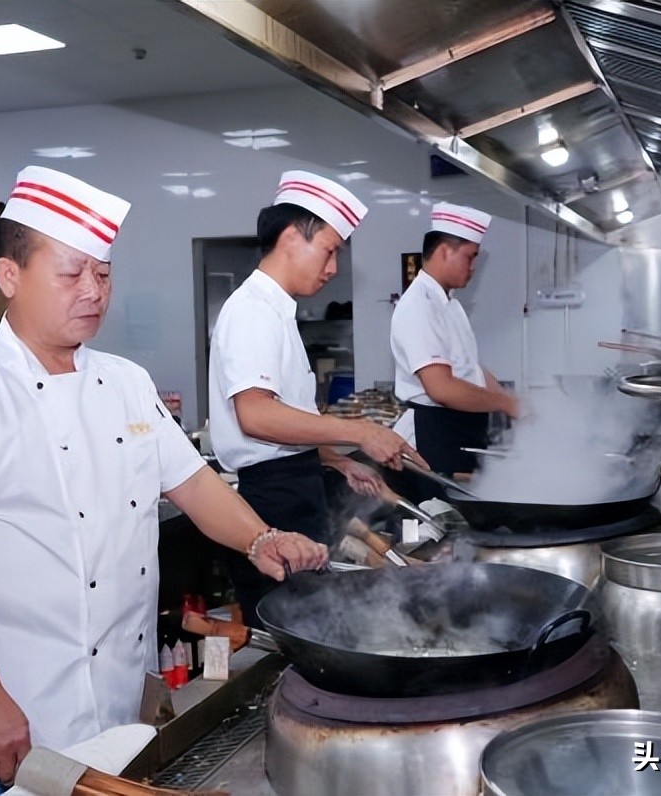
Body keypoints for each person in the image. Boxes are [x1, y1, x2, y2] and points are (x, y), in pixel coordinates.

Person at [0, 166, 327, 791]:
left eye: (103, 273)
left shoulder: (125, 382)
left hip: (126, 713)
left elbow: (195, 483)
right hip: (22, 720)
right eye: (71, 274)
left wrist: (261, 539)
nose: (93, 291)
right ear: (10, 277)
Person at [209, 170, 425, 624]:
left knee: (315, 627)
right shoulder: (252, 311)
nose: (332, 269)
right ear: (291, 236)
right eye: (328, 252)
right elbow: (256, 416)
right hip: (272, 501)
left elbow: (289, 418)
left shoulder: (278, 312)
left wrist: (336, 459)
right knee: (295, 634)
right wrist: (360, 432)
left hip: (296, 485)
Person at [390, 202, 519, 499]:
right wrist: (505, 404)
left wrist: (511, 401)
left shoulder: (450, 304)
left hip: (459, 429)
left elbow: (469, 368)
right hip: (434, 434)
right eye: (470, 258)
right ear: (445, 250)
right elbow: (442, 388)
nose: (472, 268)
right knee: (444, 519)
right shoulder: (418, 305)